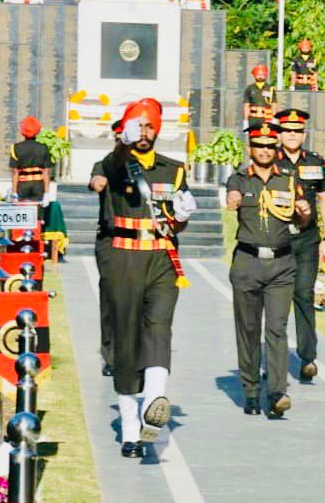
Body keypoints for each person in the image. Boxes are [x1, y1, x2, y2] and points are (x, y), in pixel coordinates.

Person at [98, 98, 198, 458]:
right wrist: (121, 144)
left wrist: (184, 215)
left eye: (150, 126)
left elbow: (175, 220)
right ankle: (128, 426)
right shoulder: (113, 164)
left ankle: (152, 406)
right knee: (126, 338)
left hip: (162, 259)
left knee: (159, 328)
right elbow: (100, 179)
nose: (145, 132)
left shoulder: (174, 170)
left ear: (158, 130)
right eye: (138, 126)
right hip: (123, 258)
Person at [225, 118, 312, 418]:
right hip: (247, 262)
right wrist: (233, 199)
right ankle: (250, 390)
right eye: (259, 146)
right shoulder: (239, 178)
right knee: (248, 330)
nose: (264, 150)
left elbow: (301, 220)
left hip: (281, 264)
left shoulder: (288, 179)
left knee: (276, 328)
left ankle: (277, 393)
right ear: (250, 148)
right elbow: (232, 198)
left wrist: (304, 214)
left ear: (276, 147)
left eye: (269, 146)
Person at [274, 109, 325, 381]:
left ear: (304, 133)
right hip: (277, 240)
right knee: (276, 299)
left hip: (307, 239)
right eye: (287, 130)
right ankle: (274, 362)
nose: (292, 135)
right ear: (280, 133)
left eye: (297, 131)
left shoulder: (315, 161)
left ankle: (308, 357)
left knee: (304, 294)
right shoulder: (269, 160)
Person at [89, 120, 122, 378]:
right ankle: (110, 355)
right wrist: (99, 180)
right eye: (120, 137)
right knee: (111, 298)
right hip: (111, 240)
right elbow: (97, 181)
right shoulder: (104, 164)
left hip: (140, 240)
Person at [10, 116, 53, 204]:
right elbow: (46, 172)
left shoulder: (15, 148)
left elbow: (15, 172)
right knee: (38, 214)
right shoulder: (43, 148)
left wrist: (14, 192)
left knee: (23, 214)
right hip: (38, 185)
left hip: (22, 185)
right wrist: (47, 193)